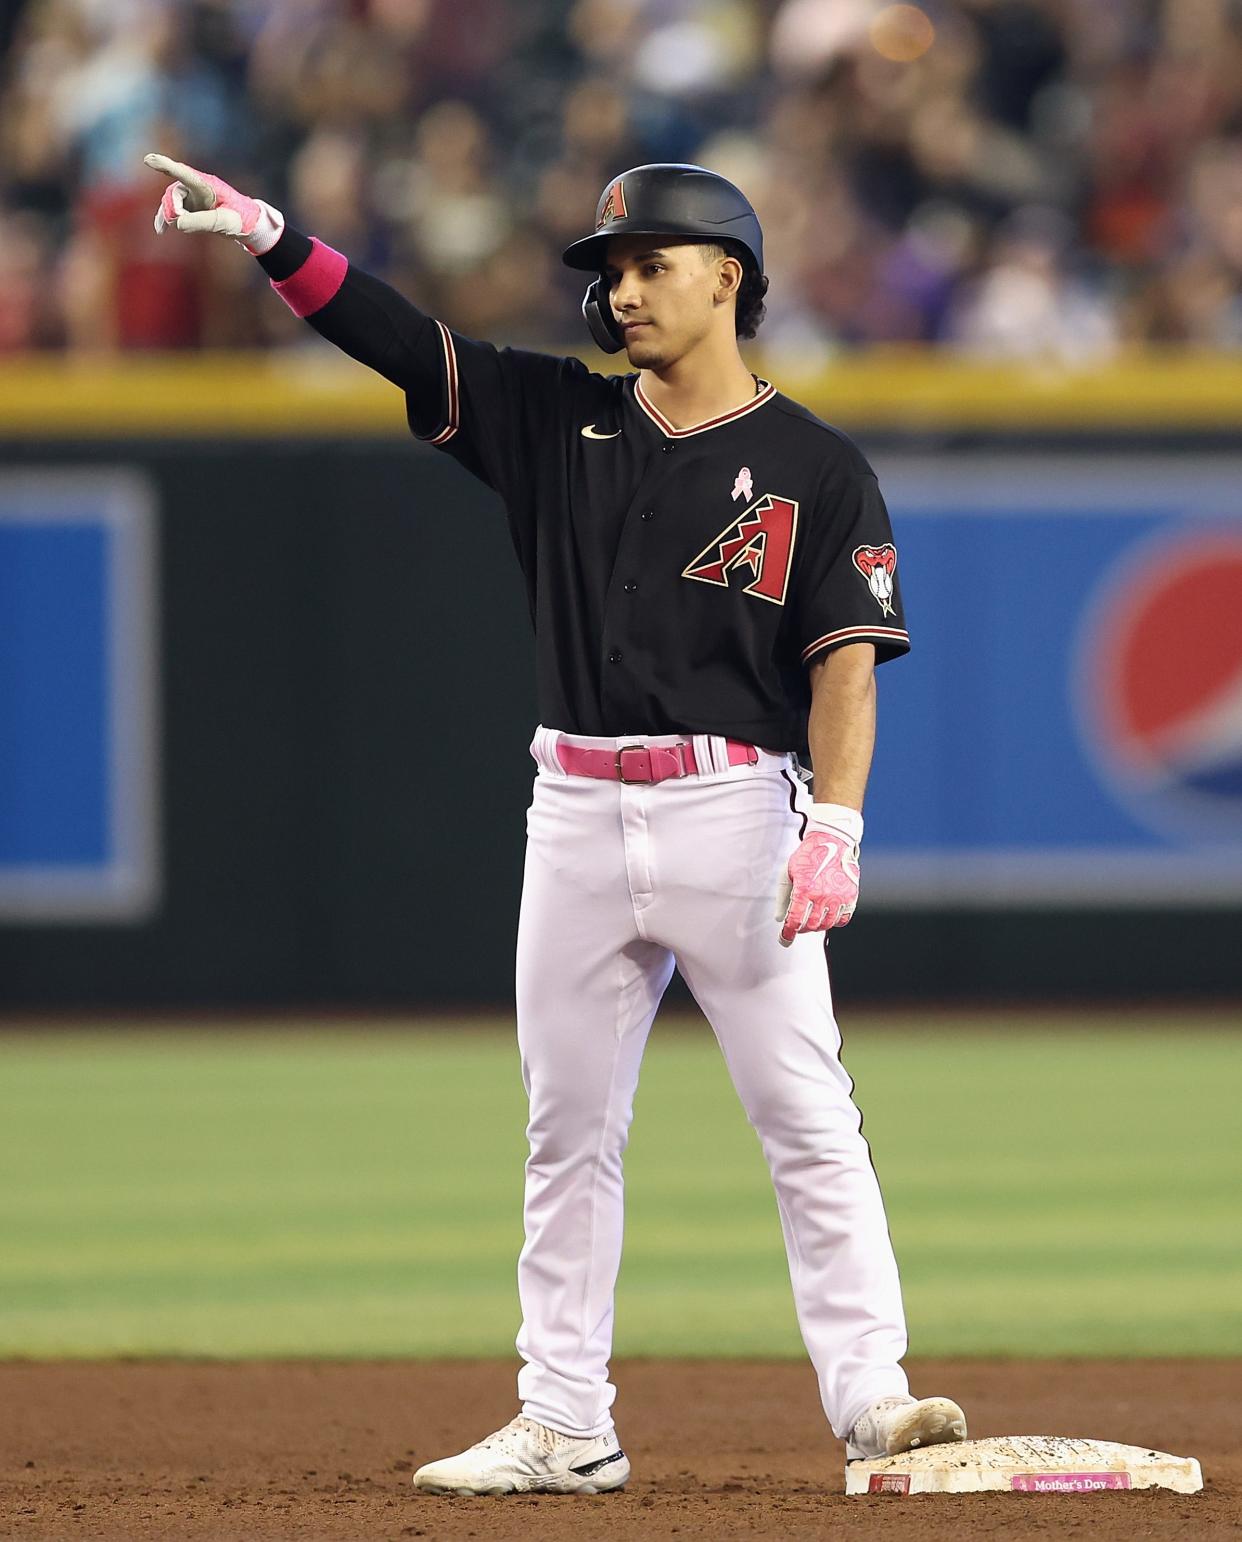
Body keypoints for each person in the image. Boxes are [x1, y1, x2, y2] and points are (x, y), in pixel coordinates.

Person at [146, 151, 968, 1495]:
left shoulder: (814, 465)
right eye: (611, 269)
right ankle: (563, 1417)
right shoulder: (550, 419)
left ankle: (871, 1392)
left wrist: (838, 823)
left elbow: (842, 662)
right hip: (574, 807)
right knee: (564, 1126)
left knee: (804, 1114)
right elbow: (404, 341)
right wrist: (271, 236)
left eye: (649, 264)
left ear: (727, 277)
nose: (623, 289)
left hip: (732, 812)